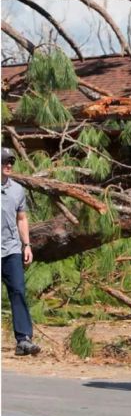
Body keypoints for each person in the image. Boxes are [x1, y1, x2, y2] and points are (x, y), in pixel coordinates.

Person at [1, 147, 40, 356]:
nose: (8, 165)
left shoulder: (17, 190)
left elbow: (22, 219)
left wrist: (27, 245)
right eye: (4, 162)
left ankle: (23, 339)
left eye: (11, 162)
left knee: (18, 291)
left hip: (11, 250)